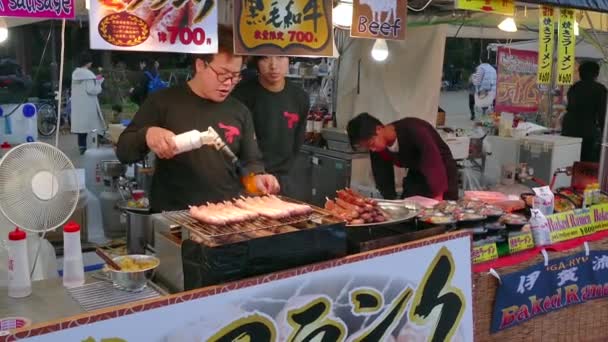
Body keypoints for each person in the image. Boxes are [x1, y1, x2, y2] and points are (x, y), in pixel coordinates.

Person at [116, 25, 280, 212]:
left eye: (235, 76)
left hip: (225, 215)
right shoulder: (163, 102)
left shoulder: (239, 111)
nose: (228, 83)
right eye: (222, 74)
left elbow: (251, 160)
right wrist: (146, 135)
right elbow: (124, 151)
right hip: (173, 216)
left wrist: (258, 176)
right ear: (200, 64)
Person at [232, 56, 310, 195]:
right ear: (256, 62)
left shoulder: (300, 97)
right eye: (265, 58)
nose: (273, 65)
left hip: (283, 179)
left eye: (280, 57)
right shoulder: (240, 95)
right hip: (247, 178)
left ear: (289, 59)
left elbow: (297, 141)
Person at [347, 113, 458, 201]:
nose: (372, 149)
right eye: (367, 148)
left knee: (440, 215)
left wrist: (438, 196)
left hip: (442, 171)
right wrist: (390, 200)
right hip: (416, 173)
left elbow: (433, 161)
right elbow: (382, 174)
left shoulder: (414, 129)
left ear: (379, 129)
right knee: (408, 209)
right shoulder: (378, 147)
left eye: (371, 144)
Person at [562, 61, 608, 162]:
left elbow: (570, 107)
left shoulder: (573, 88)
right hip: (587, 131)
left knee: (568, 159)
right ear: (596, 74)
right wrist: (604, 133)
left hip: (569, 128)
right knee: (586, 164)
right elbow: (602, 114)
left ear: (580, 73)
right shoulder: (600, 89)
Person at [70, 52, 105, 155]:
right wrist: (99, 83)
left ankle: (82, 147)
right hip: (88, 106)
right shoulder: (88, 74)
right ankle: (94, 146)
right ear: (88, 63)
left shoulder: (75, 74)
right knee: (94, 126)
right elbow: (91, 90)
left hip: (78, 106)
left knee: (81, 129)